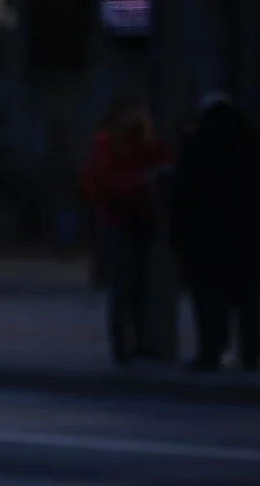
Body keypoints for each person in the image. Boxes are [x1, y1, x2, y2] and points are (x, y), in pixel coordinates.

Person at [170, 92, 260, 371]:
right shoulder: (250, 143)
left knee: (210, 296)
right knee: (247, 298)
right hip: (247, 237)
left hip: (205, 237)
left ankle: (211, 352)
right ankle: (251, 354)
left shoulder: (197, 146)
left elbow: (183, 194)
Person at [82, 91, 171, 366]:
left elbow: (160, 161)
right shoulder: (108, 143)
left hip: (142, 221)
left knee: (141, 286)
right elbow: (104, 182)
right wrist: (142, 181)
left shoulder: (144, 143)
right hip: (118, 220)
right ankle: (124, 346)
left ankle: (142, 343)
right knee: (123, 285)